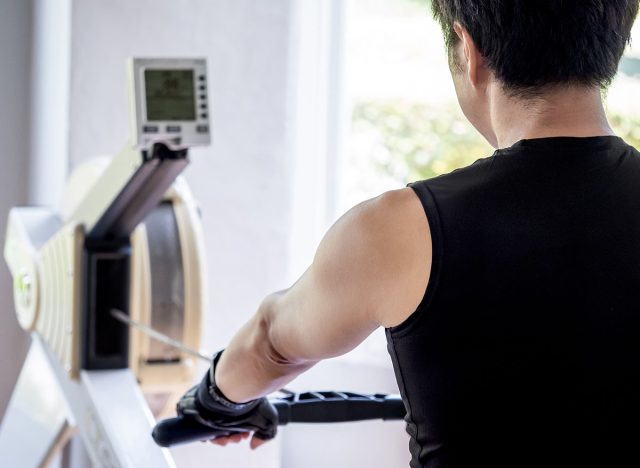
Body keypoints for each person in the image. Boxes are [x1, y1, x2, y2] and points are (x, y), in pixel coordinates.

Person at [177, 1, 640, 466]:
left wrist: (216, 402)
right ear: (615, 44)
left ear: (469, 50)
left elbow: (271, 343)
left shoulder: (399, 231)